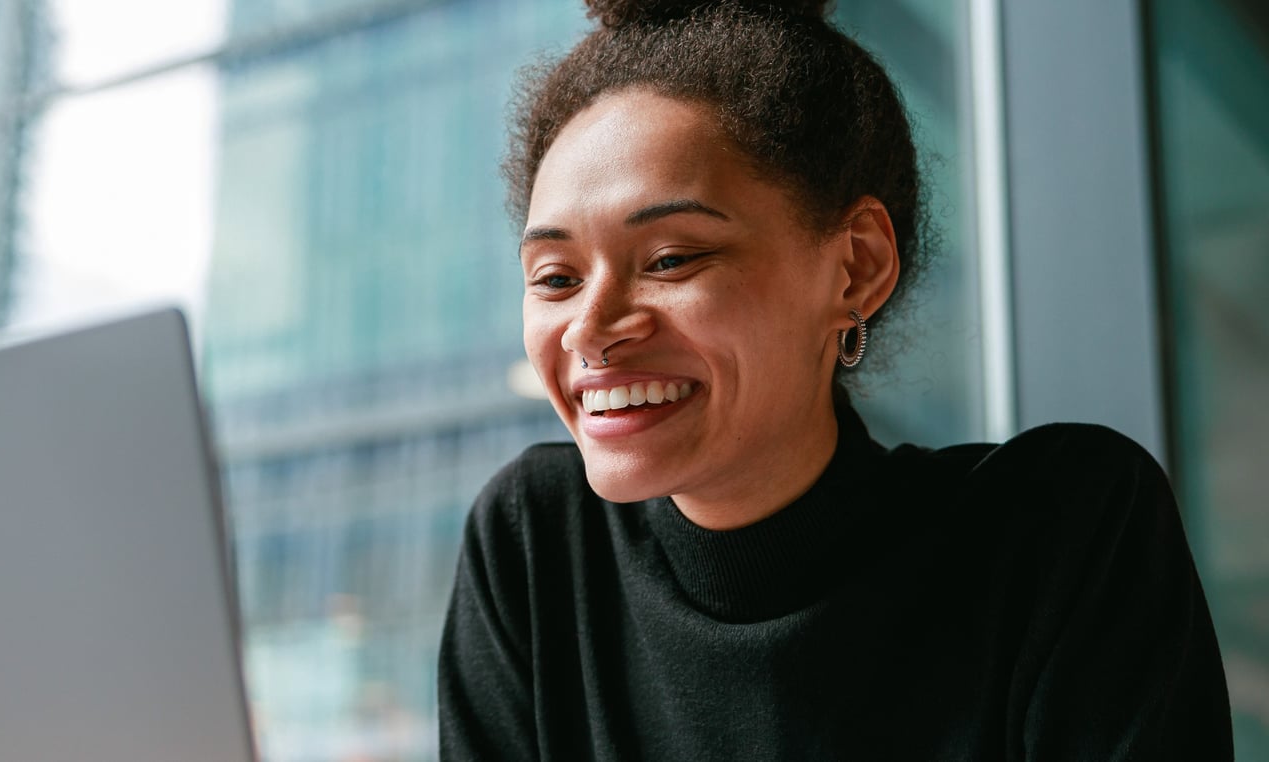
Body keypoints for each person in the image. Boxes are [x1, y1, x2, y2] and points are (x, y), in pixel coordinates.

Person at [437, 0, 1234, 758]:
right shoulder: (535, 549)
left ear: (856, 266)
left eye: (672, 259)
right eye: (554, 277)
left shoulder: (1059, 535)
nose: (591, 328)